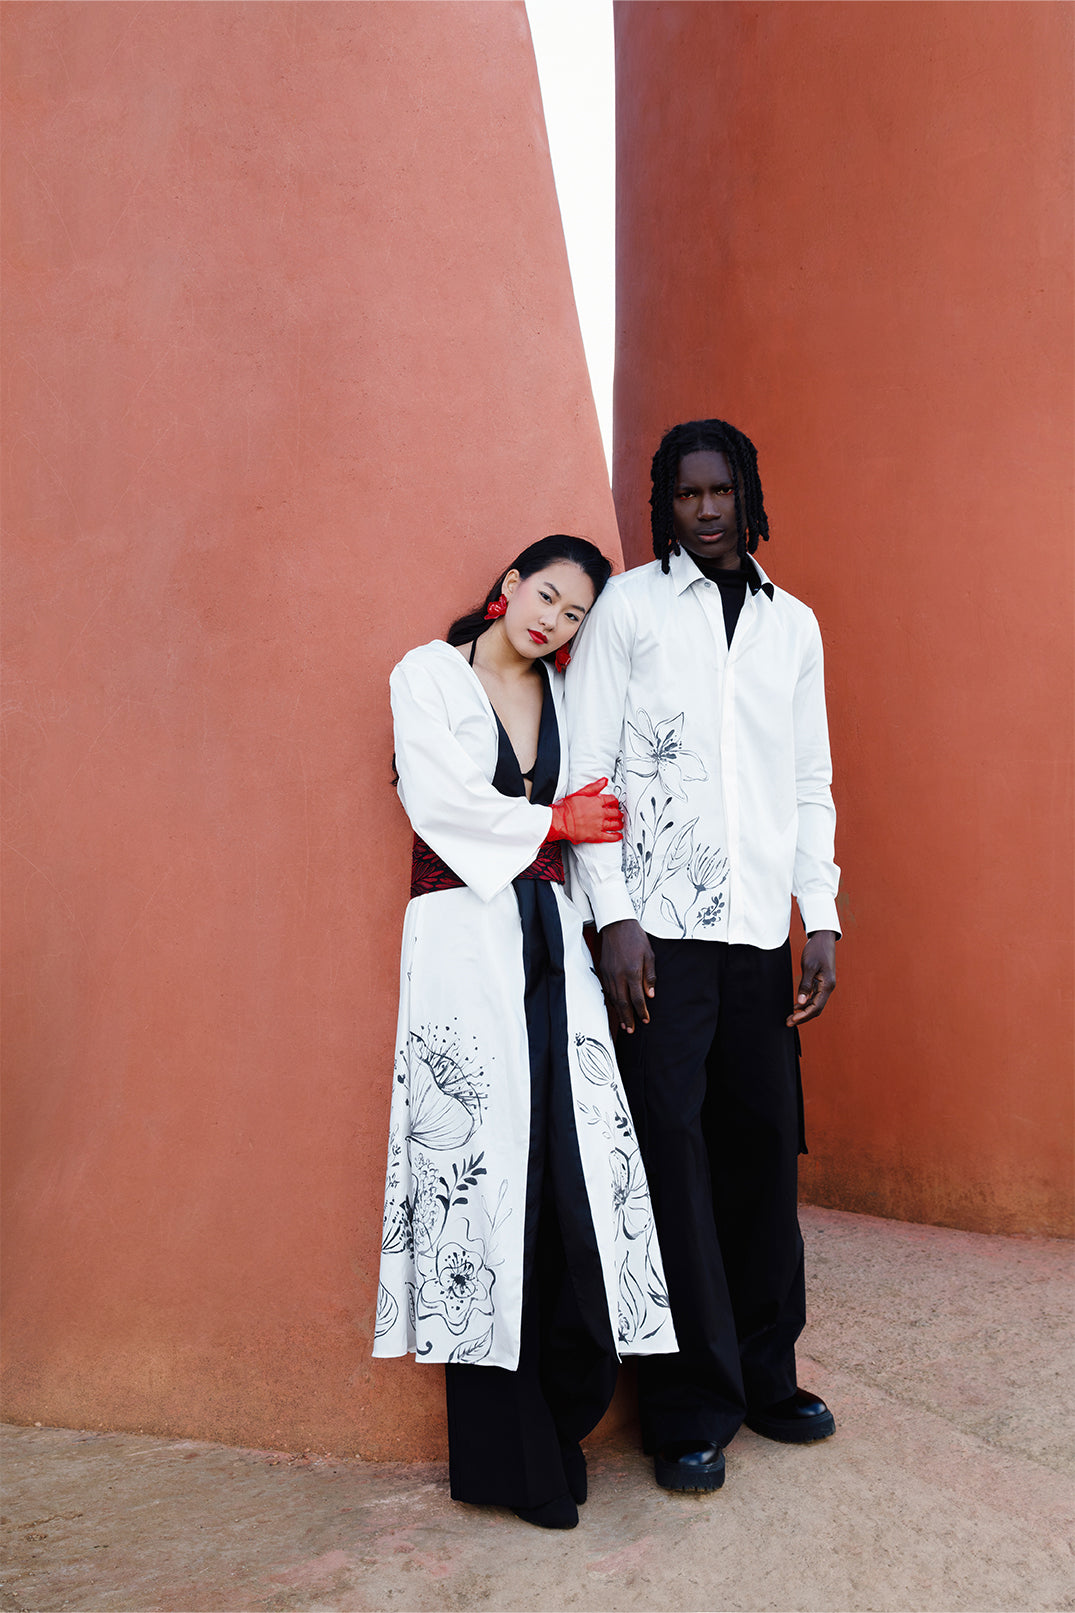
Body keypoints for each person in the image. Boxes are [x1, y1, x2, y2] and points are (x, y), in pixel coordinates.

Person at [374, 535, 677, 1530]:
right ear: (507, 587)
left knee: (566, 1174)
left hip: (554, 953)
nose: (553, 618)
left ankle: (560, 1416)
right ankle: (508, 1457)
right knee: (482, 1186)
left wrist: (603, 899)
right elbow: (447, 804)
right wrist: (557, 823)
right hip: (463, 950)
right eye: (545, 594)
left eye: (574, 612)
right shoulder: (427, 674)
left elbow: (598, 824)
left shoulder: (565, 699)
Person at [565, 421, 840, 1494]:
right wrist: (613, 916)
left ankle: (767, 1375)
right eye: (687, 494)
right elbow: (587, 770)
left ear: (749, 492)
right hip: (659, 941)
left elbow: (808, 780)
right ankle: (686, 1405)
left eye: (722, 489)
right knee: (671, 1157)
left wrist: (816, 914)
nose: (708, 508)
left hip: (753, 937)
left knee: (764, 1149)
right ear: (663, 503)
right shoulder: (630, 609)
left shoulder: (794, 626)